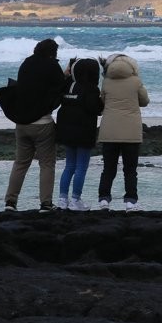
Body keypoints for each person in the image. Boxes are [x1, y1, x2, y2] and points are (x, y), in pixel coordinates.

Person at [3, 38, 67, 212]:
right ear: (53, 52)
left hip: (21, 122)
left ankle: (10, 202)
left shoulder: (26, 63)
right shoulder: (52, 65)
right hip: (42, 123)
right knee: (47, 164)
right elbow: (61, 86)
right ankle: (46, 203)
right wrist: (66, 74)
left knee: (20, 163)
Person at [97, 53, 150, 211]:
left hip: (109, 131)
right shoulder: (136, 81)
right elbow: (145, 101)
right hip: (131, 132)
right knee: (130, 169)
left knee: (108, 168)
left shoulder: (106, 82)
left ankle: (104, 199)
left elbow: (102, 102)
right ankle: (130, 201)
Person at [56, 57, 104, 211]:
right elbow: (94, 109)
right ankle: (76, 199)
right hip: (84, 132)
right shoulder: (91, 89)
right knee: (81, 167)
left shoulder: (68, 85)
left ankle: (62, 199)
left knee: (69, 165)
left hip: (66, 131)